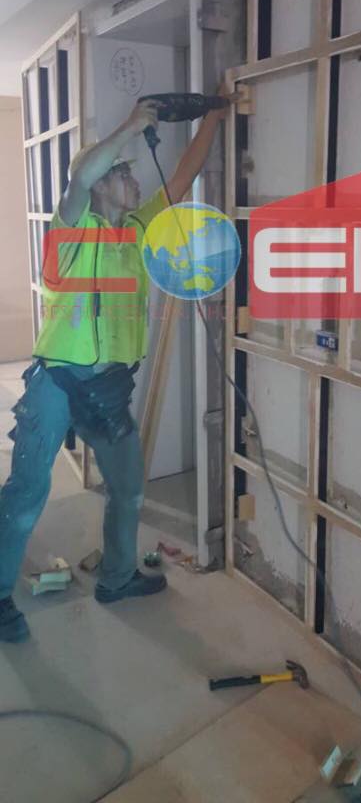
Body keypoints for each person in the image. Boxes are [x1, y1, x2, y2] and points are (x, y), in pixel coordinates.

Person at [0, 94, 229, 642]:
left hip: (107, 388)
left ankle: (118, 578)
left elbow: (183, 175)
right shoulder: (71, 227)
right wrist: (130, 125)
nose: (132, 179)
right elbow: (80, 177)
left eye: (128, 171)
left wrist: (215, 119)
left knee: (128, 488)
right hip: (58, 382)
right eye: (122, 173)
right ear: (101, 184)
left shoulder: (140, 228)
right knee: (27, 493)